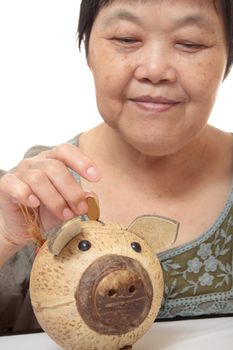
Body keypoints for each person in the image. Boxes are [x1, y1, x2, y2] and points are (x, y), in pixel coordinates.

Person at [0, 0, 233, 334]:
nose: (154, 69)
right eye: (126, 38)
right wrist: (5, 236)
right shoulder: (33, 192)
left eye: (190, 43)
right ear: (88, 49)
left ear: (227, 58)